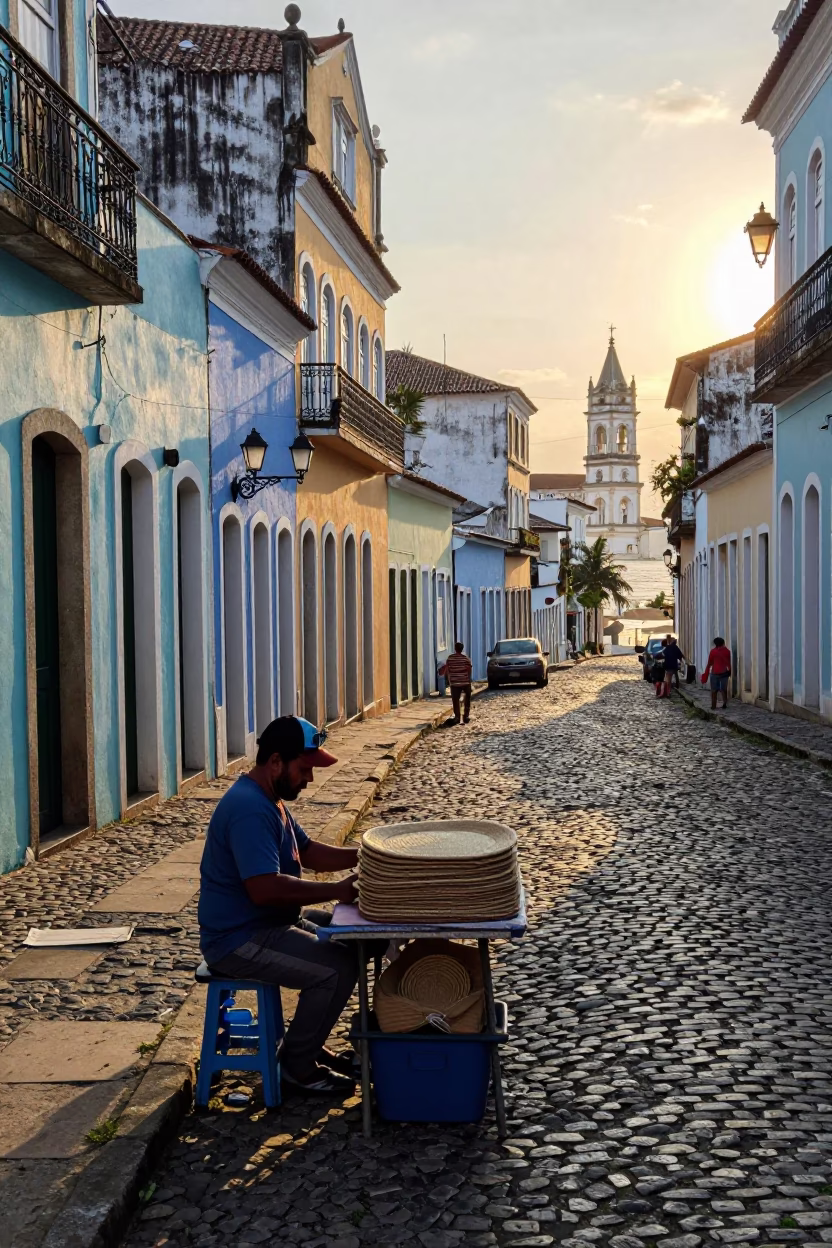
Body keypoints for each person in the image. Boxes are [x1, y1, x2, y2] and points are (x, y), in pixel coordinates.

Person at [198, 716, 367, 1096]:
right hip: (239, 938)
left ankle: (305, 1044)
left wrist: (366, 855)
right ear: (276, 761)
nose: (308, 779)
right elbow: (264, 889)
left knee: (351, 937)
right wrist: (337, 890)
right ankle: (298, 1065)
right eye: (304, 769)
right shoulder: (250, 809)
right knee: (336, 968)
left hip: (267, 922)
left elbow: (307, 851)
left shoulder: (268, 799)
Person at [440, 641, 474, 724]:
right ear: (462, 649)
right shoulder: (466, 659)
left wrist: (449, 679)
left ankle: (457, 716)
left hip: (454, 683)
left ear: (455, 649)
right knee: (467, 699)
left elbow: (447, 670)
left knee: (455, 700)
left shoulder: (450, 658)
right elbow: (469, 670)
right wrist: (468, 679)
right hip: (465, 682)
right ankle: (466, 716)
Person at [701, 636, 732, 709]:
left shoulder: (713, 651)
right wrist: (730, 671)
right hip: (724, 673)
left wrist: (707, 671)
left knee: (714, 690)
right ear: (723, 643)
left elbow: (710, 662)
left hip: (714, 672)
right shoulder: (727, 651)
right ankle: (724, 703)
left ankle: (713, 705)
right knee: (724, 689)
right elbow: (728, 662)